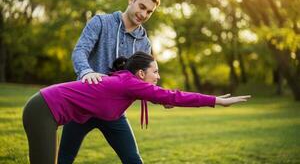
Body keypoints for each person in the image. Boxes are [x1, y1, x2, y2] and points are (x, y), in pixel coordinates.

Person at [22, 52, 251, 164]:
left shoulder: (125, 84)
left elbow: (166, 97)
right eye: (156, 72)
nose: (158, 77)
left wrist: (163, 100)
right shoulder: (129, 83)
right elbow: (174, 95)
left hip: (44, 108)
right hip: (42, 110)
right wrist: (217, 101)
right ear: (141, 74)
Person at [58, 0, 160, 164]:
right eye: (142, 7)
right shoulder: (101, 22)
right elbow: (80, 51)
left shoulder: (145, 44)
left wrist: (159, 96)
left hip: (114, 111)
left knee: (133, 160)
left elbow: (143, 80)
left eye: (149, 12)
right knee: (64, 159)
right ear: (131, 0)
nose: (143, 14)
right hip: (82, 105)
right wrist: (86, 71)